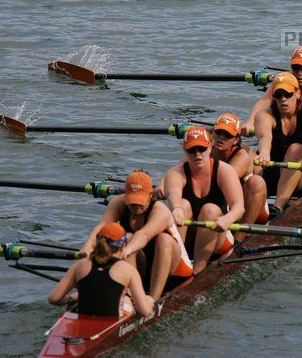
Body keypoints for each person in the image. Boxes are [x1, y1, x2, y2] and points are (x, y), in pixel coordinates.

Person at [80, 171, 193, 299]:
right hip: (144, 268)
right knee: (126, 237)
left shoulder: (160, 210)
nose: (135, 206)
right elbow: (102, 227)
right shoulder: (118, 203)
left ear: (150, 195)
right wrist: (88, 246)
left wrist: (125, 251)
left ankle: (153, 301)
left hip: (176, 274)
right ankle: (131, 297)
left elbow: (144, 235)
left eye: (140, 201)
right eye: (132, 201)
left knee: (163, 240)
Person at [160, 126, 245, 273]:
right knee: (183, 204)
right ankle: (178, 265)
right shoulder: (175, 173)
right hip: (190, 233)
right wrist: (176, 208)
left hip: (219, 236)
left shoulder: (224, 171)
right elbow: (173, 192)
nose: (197, 154)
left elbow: (239, 207)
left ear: (210, 148)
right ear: (184, 151)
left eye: (202, 149)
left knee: (210, 210)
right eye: (192, 150)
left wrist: (228, 219)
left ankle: (198, 271)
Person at [255, 72, 302, 211]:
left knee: (296, 149)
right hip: (273, 169)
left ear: (298, 93)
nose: (283, 99)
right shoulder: (264, 115)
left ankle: (278, 207)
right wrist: (264, 152)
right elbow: (265, 137)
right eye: (278, 95)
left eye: (288, 94)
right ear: (273, 97)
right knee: (247, 153)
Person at [49, 223, 154, 317]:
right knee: (132, 300)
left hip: (84, 321)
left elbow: (53, 299)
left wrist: (72, 298)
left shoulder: (80, 265)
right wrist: (149, 302)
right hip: (113, 323)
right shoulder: (128, 270)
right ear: (123, 245)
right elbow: (145, 312)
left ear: (97, 242)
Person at [210, 113, 269, 238]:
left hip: (253, 209)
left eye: (228, 135)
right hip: (227, 205)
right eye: (219, 132)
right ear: (212, 132)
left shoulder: (241, 156)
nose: (221, 138)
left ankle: (239, 238)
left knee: (256, 182)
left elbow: (222, 183)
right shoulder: (203, 149)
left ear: (236, 139)